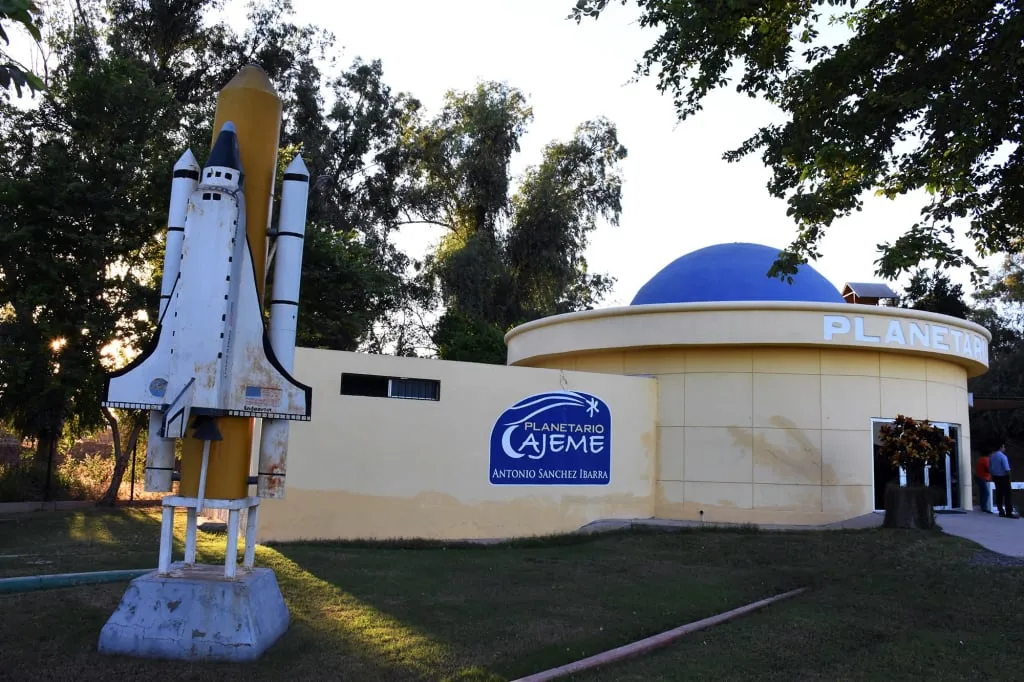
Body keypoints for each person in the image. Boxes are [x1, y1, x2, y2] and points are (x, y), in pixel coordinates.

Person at [988, 444, 1015, 518]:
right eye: (1004, 447)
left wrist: (993, 474)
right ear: (1000, 447)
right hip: (1004, 477)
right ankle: (1008, 512)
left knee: (999, 494)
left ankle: (1001, 511)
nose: (1004, 448)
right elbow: (1007, 469)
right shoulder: (1003, 456)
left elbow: (989, 468)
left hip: (996, 477)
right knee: (1007, 495)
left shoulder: (992, 456)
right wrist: (1009, 479)